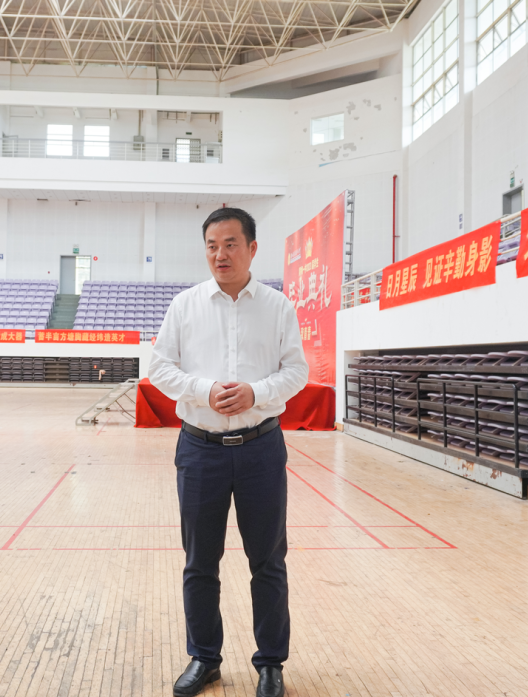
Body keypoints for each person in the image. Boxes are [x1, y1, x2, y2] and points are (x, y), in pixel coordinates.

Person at [149, 207, 309, 697]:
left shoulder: (278, 306)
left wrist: (256, 393)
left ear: (252, 248)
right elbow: (160, 368)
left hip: (262, 448)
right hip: (201, 450)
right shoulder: (185, 305)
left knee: (268, 560)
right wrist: (205, 389)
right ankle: (204, 658)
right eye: (212, 246)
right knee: (200, 562)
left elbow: (296, 371)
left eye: (231, 244)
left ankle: (271, 664)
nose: (220, 254)